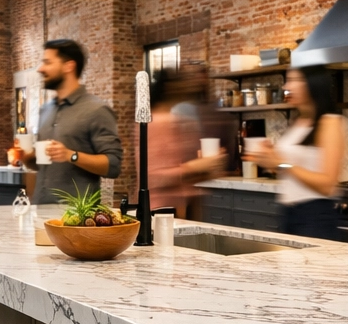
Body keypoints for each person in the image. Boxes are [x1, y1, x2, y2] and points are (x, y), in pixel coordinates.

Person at [246, 65, 347, 240]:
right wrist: (269, 160)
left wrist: (281, 163)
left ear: (312, 84)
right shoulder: (299, 122)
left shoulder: (330, 123)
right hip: (288, 214)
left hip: (315, 217)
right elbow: (290, 171)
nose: (286, 87)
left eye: (293, 80)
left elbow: (327, 184)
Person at [21, 39, 123, 204]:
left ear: (69, 66)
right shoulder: (45, 110)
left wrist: (71, 155)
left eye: (47, 62)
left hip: (77, 219)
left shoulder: (96, 110)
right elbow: (44, 165)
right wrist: (27, 157)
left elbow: (113, 165)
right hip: (41, 214)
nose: (40, 69)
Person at [143, 66, 225, 220]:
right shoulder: (156, 123)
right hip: (163, 211)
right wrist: (197, 166)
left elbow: (189, 169)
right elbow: (153, 176)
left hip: (187, 208)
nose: (190, 83)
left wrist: (208, 165)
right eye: (184, 80)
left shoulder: (181, 120)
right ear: (170, 87)